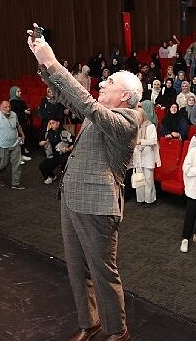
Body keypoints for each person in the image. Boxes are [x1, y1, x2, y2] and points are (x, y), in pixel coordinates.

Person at [28, 26, 143, 341]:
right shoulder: (103, 113)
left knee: (103, 273)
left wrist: (53, 63)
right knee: (77, 269)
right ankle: (89, 322)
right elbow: (69, 95)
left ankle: (117, 332)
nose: (102, 83)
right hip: (72, 198)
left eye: (110, 82)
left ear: (126, 96)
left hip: (97, 205)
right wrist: (42, 60)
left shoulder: (129, 119)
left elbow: (86, 105)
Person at [0, 101, 26, 189]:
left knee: (17, 164)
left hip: (14, 144)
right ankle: (0, 177)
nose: (8, 109)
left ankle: (15, 183)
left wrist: (22, 134)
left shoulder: (14, 114)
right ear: (0, 107)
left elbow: (18, 125)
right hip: (1, 145)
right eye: (5, 107)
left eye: (9, 107)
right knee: (3, 164)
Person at [132, 101, 160, 206]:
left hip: (148, 155)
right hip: (137, 155)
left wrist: (141, 141)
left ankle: (150, 199)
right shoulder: (135, 126)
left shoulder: (150, 126)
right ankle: (140, 199)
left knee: (148, 179)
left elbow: (153, 141)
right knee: (139, 178)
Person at [38, 119, 73, 184]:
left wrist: (67, 149)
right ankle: (51, 176)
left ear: (58, 123)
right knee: (42, 166)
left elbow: (73, 144)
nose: (52, 125)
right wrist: (43, 143)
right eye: (50, 123)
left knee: (64, 164)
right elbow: (42, 142)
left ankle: (65, 180)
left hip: (63, 155)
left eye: (53, 123)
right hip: (53, 155)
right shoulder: (48, 133)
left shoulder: (64, 132)